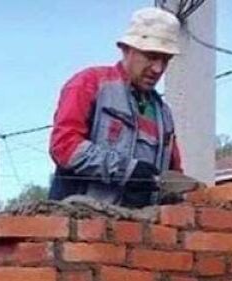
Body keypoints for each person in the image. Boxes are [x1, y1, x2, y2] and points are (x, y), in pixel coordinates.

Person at [49, 7, 183, 207]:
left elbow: (174, 173)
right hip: (81, 224)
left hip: (140, 231)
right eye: (151, 56)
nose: (158, 68)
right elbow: (64, 146)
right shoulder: (90, 84)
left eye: (166, 59)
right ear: (126, 49)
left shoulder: (163, 114)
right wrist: (127, 171)